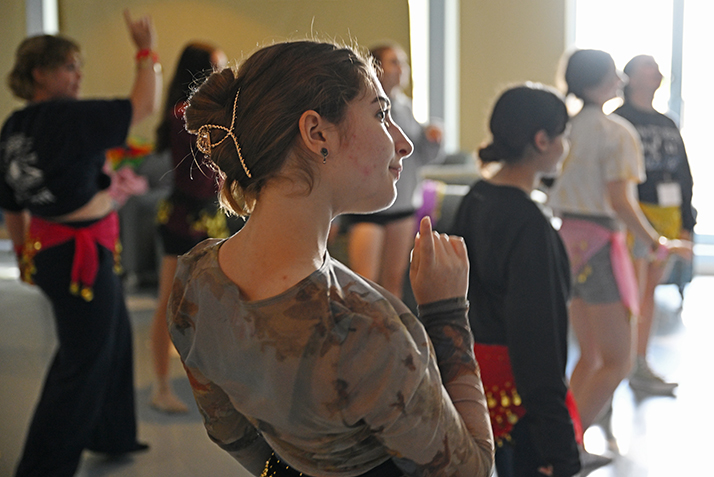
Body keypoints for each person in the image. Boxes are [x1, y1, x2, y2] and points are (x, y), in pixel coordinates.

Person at [167, 40, 494, 476]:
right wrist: (447, 312)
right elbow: (469, 471)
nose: (403, 144)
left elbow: (234, 437)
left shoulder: (194, 279)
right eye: (380, 114)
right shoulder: (364, 328)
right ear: (317, 133)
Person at [0, 10, 161, 476]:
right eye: (69, 66)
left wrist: (25, 254)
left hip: (57, 251)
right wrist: (146, 51)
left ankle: (110, 433)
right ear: (40, 73)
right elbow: (142, 106)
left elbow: (11, 205)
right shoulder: (65, 116)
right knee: (83, 359)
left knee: (110, 338)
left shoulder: (15, 127)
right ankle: (42, 467)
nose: (78, 75)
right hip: (75, 255)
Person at [546, 49, 691, 433]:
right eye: (615, 72)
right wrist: (657, 241)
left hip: (565, 240)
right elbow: (619, 200)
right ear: (602, 81)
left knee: (588, 354)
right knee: (617, 360)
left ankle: (560, 440)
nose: (622, 79)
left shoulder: (566, 127)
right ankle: (570, 444)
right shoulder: (616, 132)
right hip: (599, 243)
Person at [451, 84, 581, 477]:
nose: (565, 145)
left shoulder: (476, 196)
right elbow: (538, 343)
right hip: (514, 400)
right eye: (563, 135)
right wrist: (560, 450)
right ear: (542, 140)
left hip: (466, 382)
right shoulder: (529, 226)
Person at [149, 42, 231, 413]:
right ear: (198, 74)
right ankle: (161, 385)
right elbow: (203, 173)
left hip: (208, 214)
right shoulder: (185, 114)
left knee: (213, 303)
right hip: (184, 217)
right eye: (216, 68)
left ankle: (215, 382)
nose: (223, 75)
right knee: (169, 303)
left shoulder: (208, 113)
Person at [613, 54, 695, 395]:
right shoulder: (617, 121)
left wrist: (686, 221)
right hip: (633, 214)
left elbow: (684, 174)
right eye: (648, 68)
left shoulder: (667, 123)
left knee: (648, 293)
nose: (656, 73)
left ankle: (639, 362)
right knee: (628, 294)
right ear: (630, 77)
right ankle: (619, 365)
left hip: (667, 215)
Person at [342, 42, 443, 299]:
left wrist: (432, 141)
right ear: (376, 67)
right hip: (367, 206)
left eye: (404, 62)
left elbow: (419, 157)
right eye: (394, 62)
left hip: (402, 204)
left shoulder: (406, 108)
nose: (402, 69)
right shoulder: (358, 106)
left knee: (394, 282)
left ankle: (393, 337)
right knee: (364, 286)